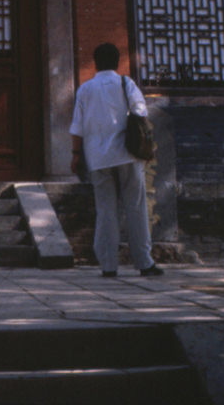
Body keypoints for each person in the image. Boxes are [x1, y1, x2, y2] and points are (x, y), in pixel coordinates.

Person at [70, 42, 163, 278]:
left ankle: (108, 265)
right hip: (127, 153)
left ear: (95, 63)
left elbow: (77, 128)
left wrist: (75, 155)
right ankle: (144, 262)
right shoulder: (126, 83)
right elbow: (141, 112)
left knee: (105, 210)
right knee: (136, 207)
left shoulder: (85, 89)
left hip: (97, 157)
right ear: (117, 62)